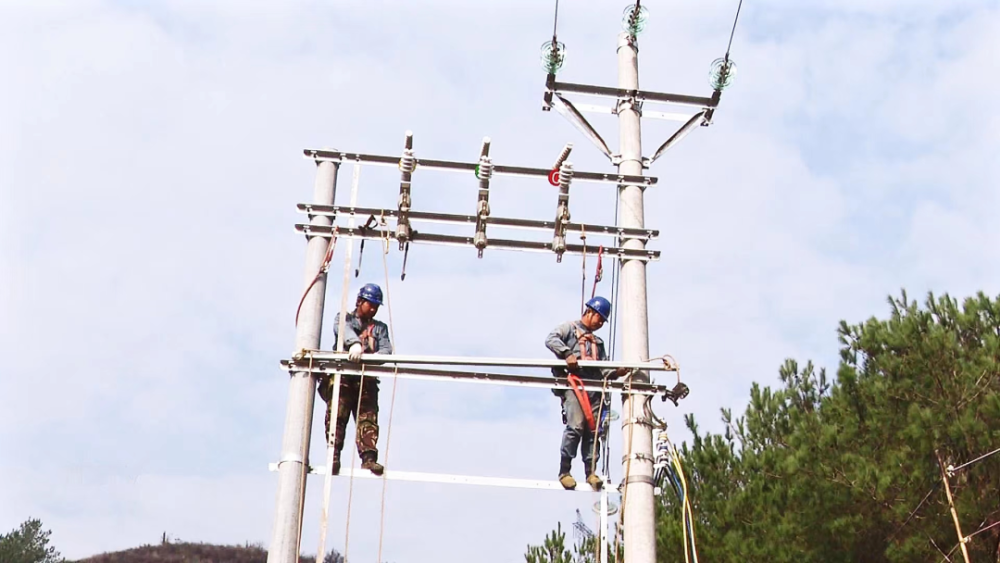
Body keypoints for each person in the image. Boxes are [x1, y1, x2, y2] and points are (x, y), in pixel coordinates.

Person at [545, 296, 628, 491]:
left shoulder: (598, 342)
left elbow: (603, 370)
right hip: (575, 384)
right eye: (599, 318)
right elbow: (550, 339)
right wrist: (567, 353)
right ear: (590, 312)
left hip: (594, 389)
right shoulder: (569, 328)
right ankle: (564, 471)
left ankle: (590, 472)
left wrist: (617, 372)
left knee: (593, 431)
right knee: (576, 426)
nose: (600, 323)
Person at [318, 283, 393, 476]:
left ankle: (369, 459)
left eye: (376, 305)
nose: (374, 309)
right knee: (337, 415)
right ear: (360, 301)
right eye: (371, 304)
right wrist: (354, 344)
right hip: (343, 378)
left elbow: (386, 350)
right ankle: (333, 455)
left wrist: (373, 358)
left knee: (367, 418)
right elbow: (343, 330)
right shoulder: (345, 319)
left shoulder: (379, 329)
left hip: (365, 381)